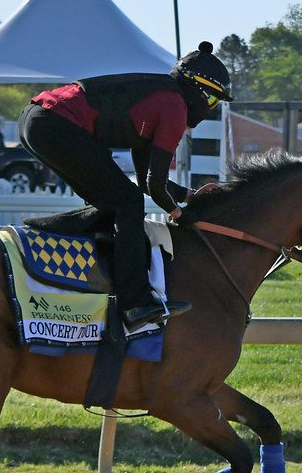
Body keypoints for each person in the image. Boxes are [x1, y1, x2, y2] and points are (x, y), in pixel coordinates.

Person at [18, 41, 233, 332]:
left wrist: (188, 195)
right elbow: (154, 187)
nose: (210, 108)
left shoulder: (161, 97)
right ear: (199, 90)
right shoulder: (174, 108)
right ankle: (136, 303)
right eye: (212, 101)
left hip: (38, 119)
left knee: (113, 205)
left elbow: (148, 178)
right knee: (127, 203)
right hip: (54, 123)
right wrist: (179, 213)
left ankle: (92, 276)